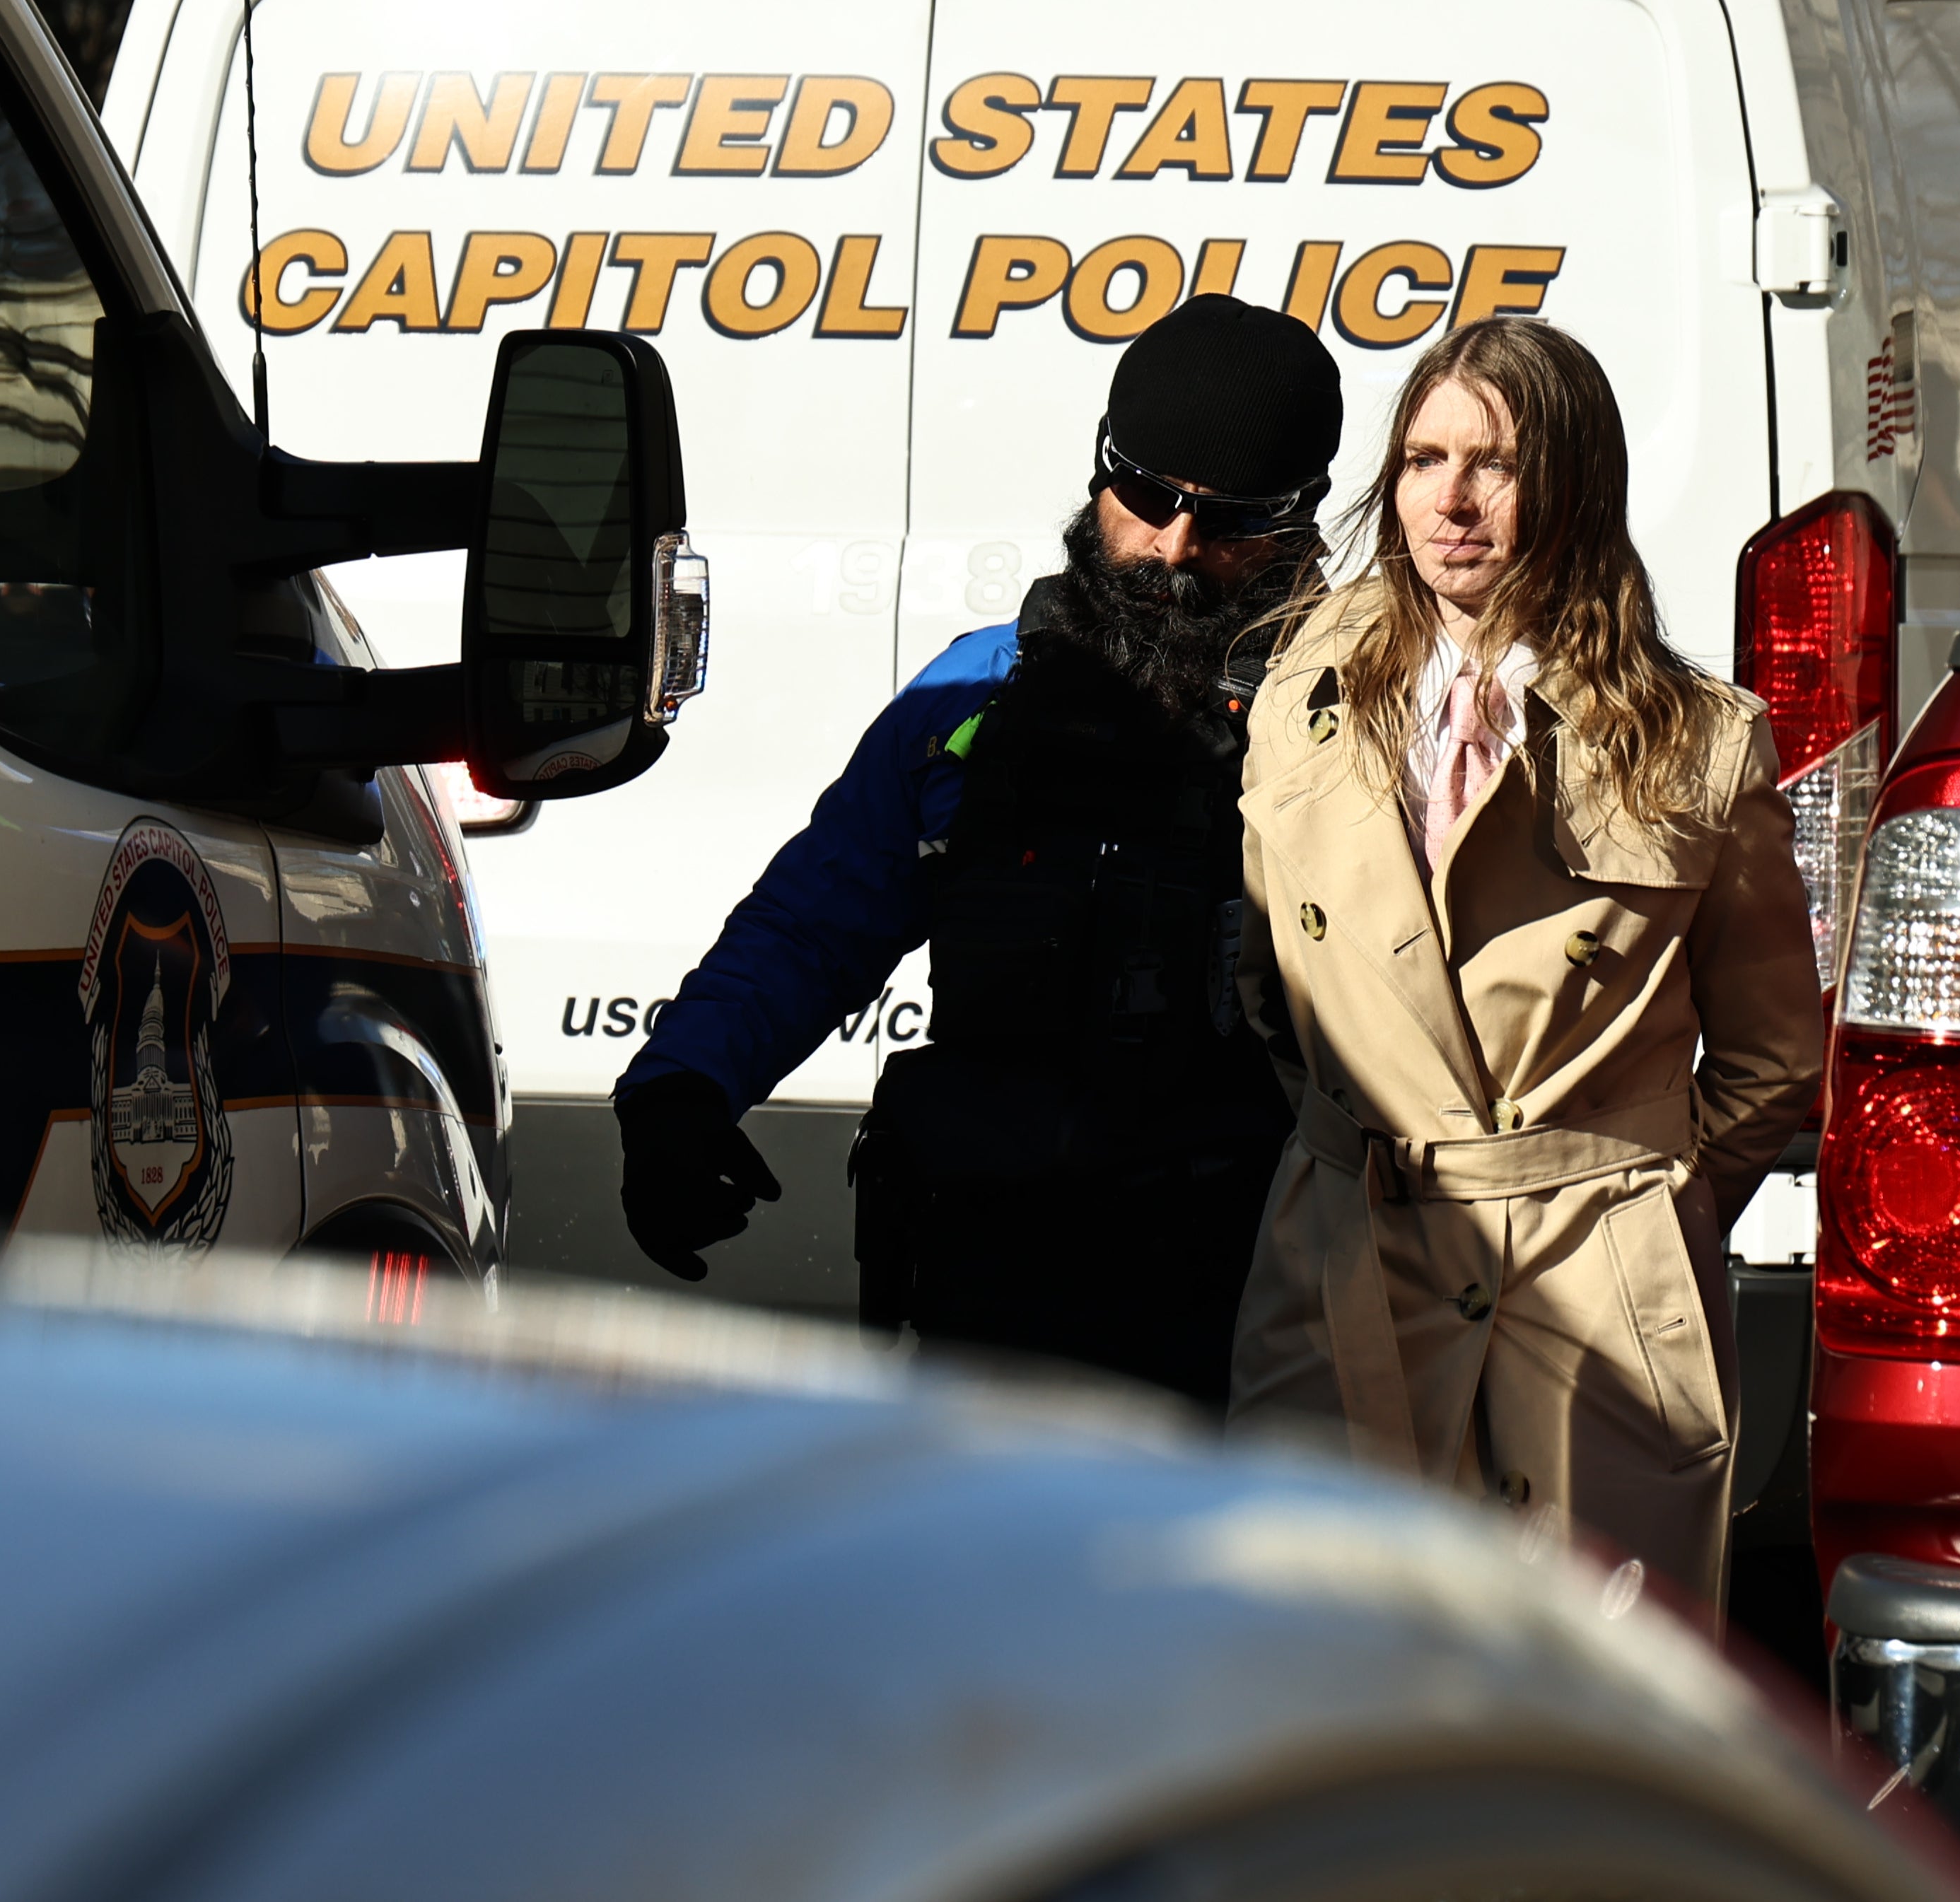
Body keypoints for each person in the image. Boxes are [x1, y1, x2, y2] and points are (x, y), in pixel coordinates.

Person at [614, 295, 1344, 1408]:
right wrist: (680, 1092)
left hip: (1251, 1299)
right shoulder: (978, 691)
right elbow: (818, 919)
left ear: (1300, 521)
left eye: (1229, 518)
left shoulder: (1354, 715)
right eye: (1146, 498)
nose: (1175, 548)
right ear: (1101, 469)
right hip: (988, 1281)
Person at [1228, 316, 1822, 1626]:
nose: (1449, 500)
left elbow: (1778, 1057)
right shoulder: (1302, 685)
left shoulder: (1702, 743)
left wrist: (1634, 1211)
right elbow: (1278, 987)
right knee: (1309, 1683)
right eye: (1421, 458)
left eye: (1491, 463)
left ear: (1570, 482)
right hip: (1347, 1259)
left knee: (1576, 1709)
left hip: (1592, 1286)